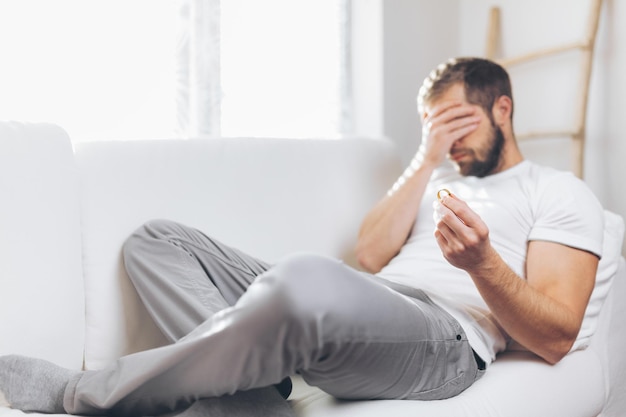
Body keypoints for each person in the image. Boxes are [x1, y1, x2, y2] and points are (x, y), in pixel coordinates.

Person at [0, 57, 604, 416]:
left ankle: (83, 393)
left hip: (447, 339)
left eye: (457, 122)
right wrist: (426, 156)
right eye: (432, 124)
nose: (448, 139)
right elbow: (370, 255)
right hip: (372, 304)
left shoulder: (556, 191)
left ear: (503, 109)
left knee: (303, 279)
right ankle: (256, 399)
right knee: (156, 241)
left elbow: (555, 335)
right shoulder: (433, 176)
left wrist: (482, 265)